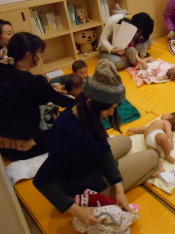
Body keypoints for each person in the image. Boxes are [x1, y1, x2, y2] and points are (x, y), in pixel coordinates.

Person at [33, 59, 159, 226]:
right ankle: (88, 197)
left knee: (125, 141)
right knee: (152, 157)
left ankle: (113, 187)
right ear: (92, 102)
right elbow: (41, 180)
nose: (109, 114)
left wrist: (119, 187)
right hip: (82, 183)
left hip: (85, 163)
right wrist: (77, 210)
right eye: (109, 108)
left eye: (114, 108)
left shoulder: (80, 109)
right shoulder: (72, 136)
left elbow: (103, 146)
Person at [0, 32, 74, 160]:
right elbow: (61, 101)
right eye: (40, 52)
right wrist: (82, 101)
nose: (40, 56)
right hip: (24, 146)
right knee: (70, 129)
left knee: (50, 111)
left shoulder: (3, 69)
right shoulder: (33, 81)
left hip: (4, 145)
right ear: (29, 54)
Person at [127, 112, 175, 177]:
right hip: (149, 143)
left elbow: (169, 132)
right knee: (152, 155)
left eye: (167, 113)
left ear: (168, 117)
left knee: (162, 137)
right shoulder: (155, 124)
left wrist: (170, 140)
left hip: (156, 135)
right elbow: (144, 129)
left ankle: (167, 156)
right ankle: (160, 168)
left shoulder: (165, 122)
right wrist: (134, 130)